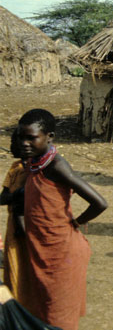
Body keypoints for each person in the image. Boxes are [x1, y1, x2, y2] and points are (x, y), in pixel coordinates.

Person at [18, 109, 108, 330]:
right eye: (22, 137)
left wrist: (76, 222)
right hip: (41, 249)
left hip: (60, 253)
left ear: (50, 137)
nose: (25, 143)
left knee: (58, 317)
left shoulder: (56, 166)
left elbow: (100, 203)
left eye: (32, 137)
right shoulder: (33, 163)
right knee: (42, 312)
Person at [1, 129, 30, 304]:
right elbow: (2, 197)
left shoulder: (39, 170)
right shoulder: (15, 168)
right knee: (14, 265)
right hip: (14, 224)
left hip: (32, 224)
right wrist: (17, 194)